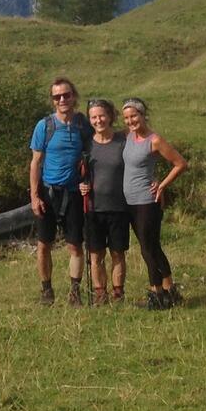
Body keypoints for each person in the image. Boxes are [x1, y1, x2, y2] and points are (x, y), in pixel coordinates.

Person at [29, 76, 92, 306]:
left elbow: (92, 154)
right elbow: (35, 162)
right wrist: (34, 197)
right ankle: (47, 290)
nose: (62, 99)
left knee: (75, 245)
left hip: (74, 193)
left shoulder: (83, 124)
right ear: (53, 100)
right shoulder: (44, 125)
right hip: (48, 193)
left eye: (66, 95)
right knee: (44, 244)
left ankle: (75, 292)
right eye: (57, 97)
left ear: (74, 96)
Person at [121, 97, 188, 310]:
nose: (131, 121)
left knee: (147, 248)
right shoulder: (128, 136)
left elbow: (180, 164)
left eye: (134, 116)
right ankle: (170, 290)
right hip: (130, 201)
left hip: (147, 201)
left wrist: (162, 186)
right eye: (127, 117)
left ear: (143, 115)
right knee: (153, 246)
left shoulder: (155, 140)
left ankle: (156, 294)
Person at [78, 99, 129, 305]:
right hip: (92, 208)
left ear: (110, 116)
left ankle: (118, 294)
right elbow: (79, 173)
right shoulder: (86, 144)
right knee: (95, 255)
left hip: (119, 208)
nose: (98, 120)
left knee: (118, 253)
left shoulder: (122, 141)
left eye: (101, 116)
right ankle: (100, 294)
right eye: (93, 117)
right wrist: (80, 184)